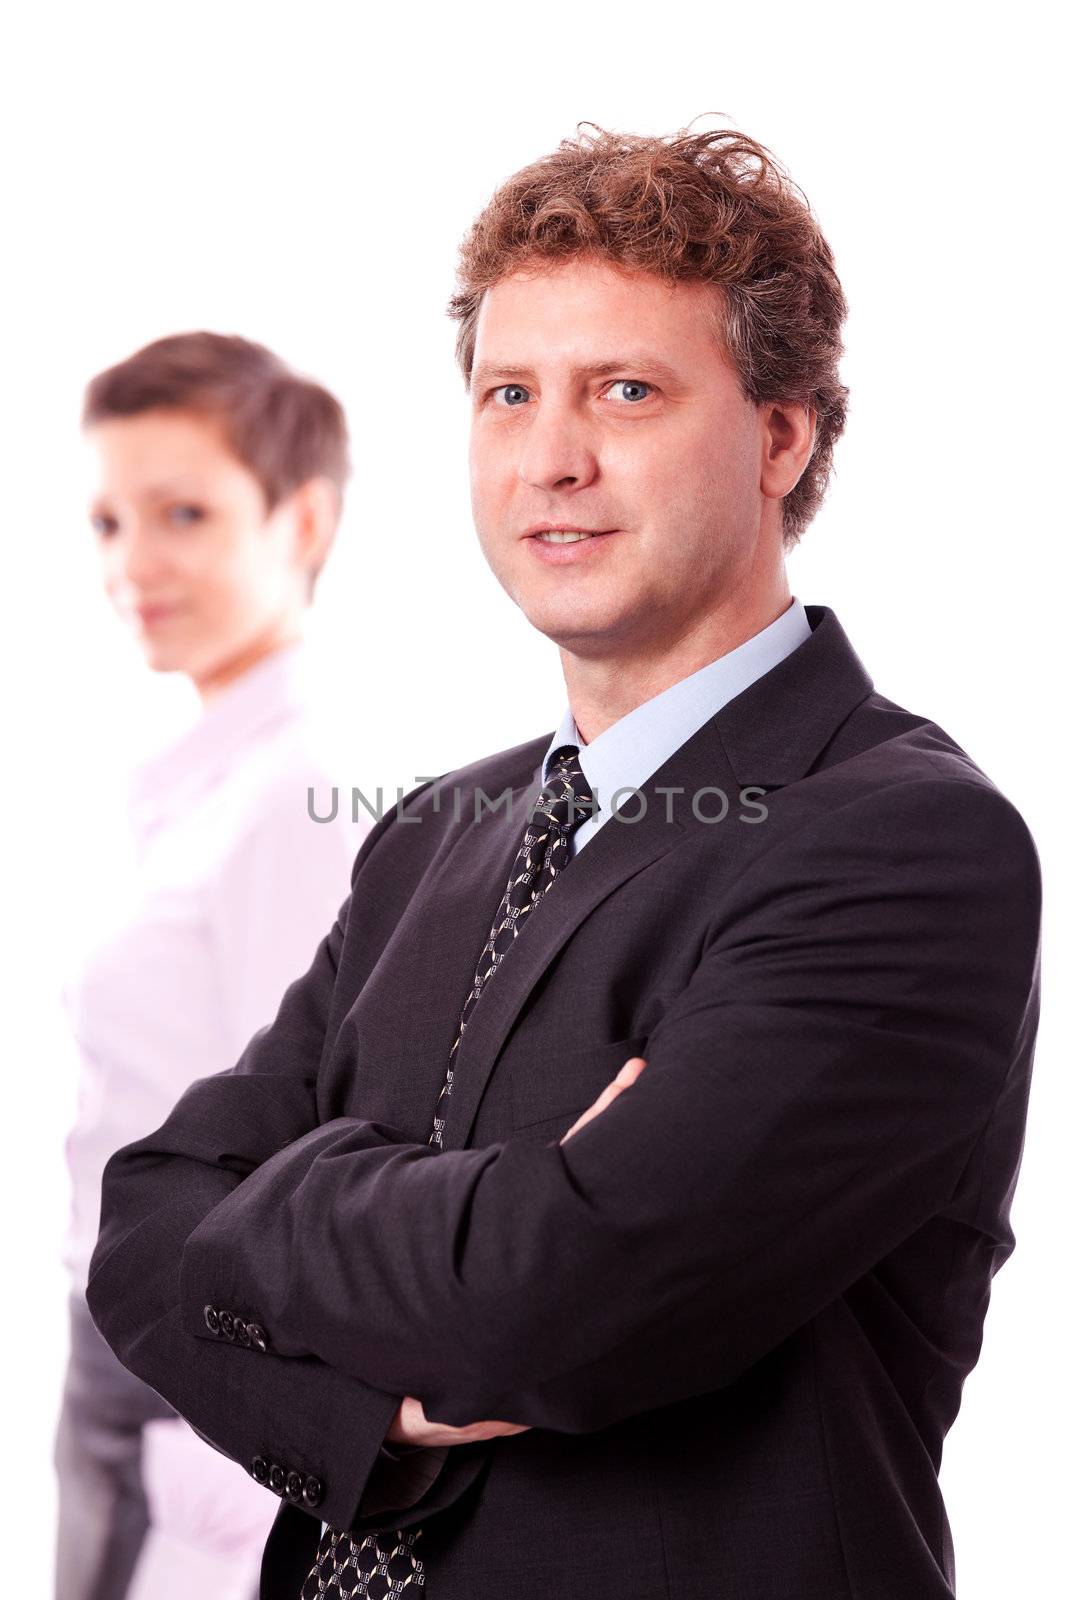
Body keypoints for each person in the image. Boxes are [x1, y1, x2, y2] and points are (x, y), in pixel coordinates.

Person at [87, 128, 1042, 1600]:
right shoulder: (428, 837)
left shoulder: (900, 841)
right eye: (508, 395)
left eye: (626, 391)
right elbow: (146, 1224)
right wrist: (386, 1393)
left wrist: (279, 1193)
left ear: (781, 436)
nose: (551, 457)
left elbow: (553, 1303)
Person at [56, 331, 367, 1600]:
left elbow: (311, 1149)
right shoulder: (194, 785)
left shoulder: (298, 796)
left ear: (303, 519)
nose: (134, 564)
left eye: (183, 512)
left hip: (192, 1391)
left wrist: (231, 1463)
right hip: (124, 1362)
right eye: (110, 521)